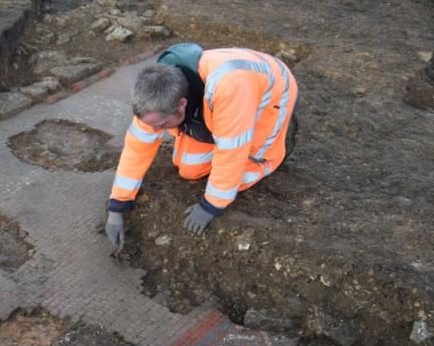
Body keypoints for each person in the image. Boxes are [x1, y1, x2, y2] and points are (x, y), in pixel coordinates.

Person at [105, 43, 298, 247]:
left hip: (269, 98)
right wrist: (117, 207)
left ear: (182, 105)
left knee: (241, 173)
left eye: (161, 125)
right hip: (222, 103)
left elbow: (232, 150)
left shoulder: (229, 86)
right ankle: (219, 129)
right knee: (189, 168)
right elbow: (137, 149)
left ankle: (275, 150)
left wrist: (211, 206)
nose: (155, 130)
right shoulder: (155, 97)